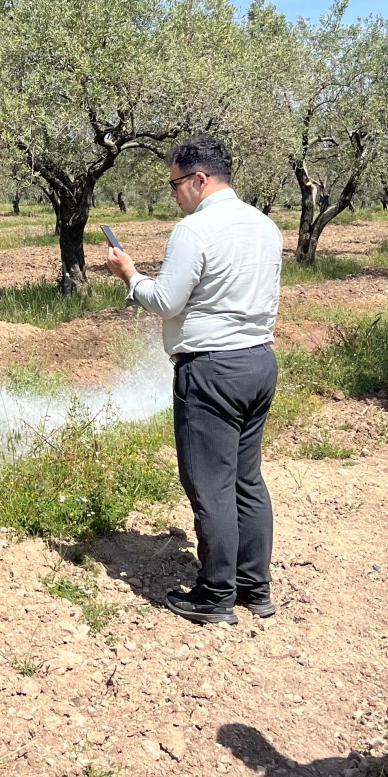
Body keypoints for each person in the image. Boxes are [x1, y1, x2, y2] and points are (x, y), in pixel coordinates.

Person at [106, 137, 283, 625]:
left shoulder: (194, 229)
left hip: (211, 369)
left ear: (199, 180)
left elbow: (166, 301)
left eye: (175, 184)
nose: (174, 194)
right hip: (258, 362)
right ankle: (255, 587)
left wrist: (129, 274)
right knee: (247, 479)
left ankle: (214, 595)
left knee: (210, 484)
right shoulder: (265, 226)